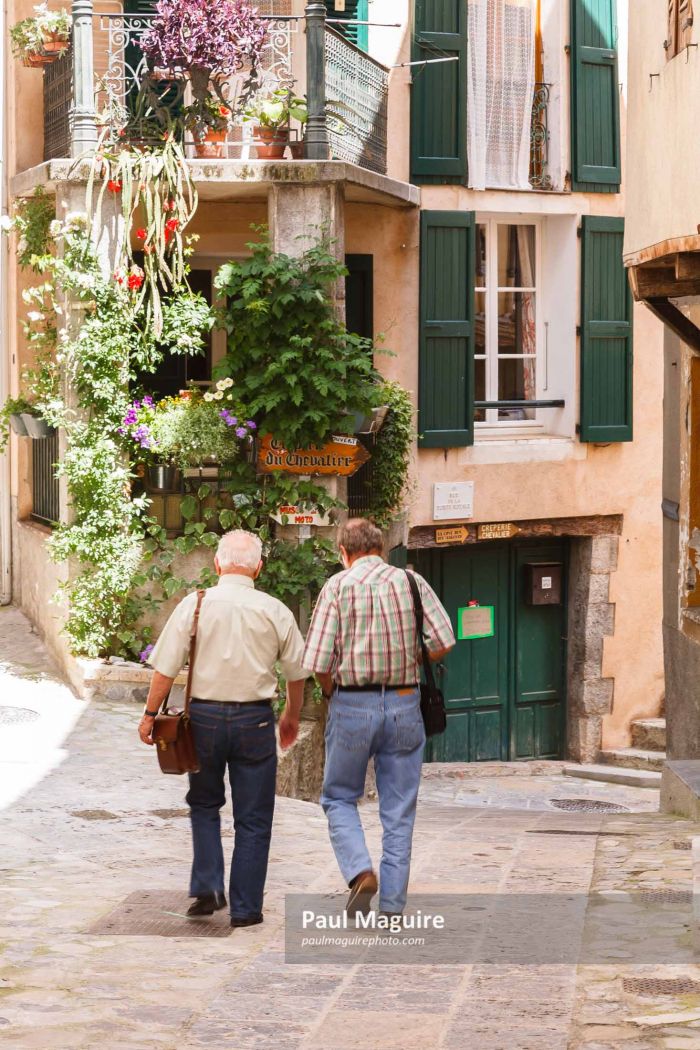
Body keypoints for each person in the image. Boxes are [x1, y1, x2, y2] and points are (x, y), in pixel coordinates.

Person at [138, 529, 307, 928]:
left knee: (204, 802)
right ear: (258, 568)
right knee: (254, 817)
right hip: (256, 720)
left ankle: (209, 887)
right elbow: (297, 672)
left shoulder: (195, 605)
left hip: (205, 720)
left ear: (217, 564)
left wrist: (149, 714)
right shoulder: (274, 609)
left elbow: (165, 669)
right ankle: (246, 909)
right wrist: (292, 715)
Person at [302, 518, 455, 918]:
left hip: (352, 703)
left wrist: (332, 690)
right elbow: (443, 641)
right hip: (405, 703)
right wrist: (411, 659)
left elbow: (317, 660)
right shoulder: (411, 583)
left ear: (343, 552)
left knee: (338, 796)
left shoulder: (337, 586)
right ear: (381, 549)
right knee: (399, 808)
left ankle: (359, 871)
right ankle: (391, 907)